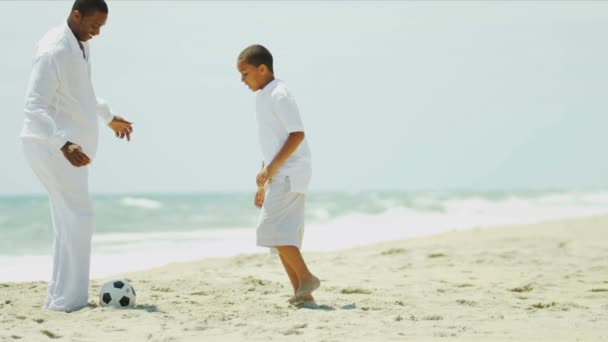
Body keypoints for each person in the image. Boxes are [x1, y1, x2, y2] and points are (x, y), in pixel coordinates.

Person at [20, 0, 133, 312]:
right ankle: (70, 302)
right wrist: (63, 143)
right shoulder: (54, 49)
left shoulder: (80, 44)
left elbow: (81, 93)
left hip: (63, 148)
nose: (96, 33)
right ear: (76, 15)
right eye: (93, 25)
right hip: (49, 146)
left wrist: (108, 117)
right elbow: (34, 105)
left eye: (101, 27)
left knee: (69, 221)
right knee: (80, 217)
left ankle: (59, 299)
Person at [237, 44, 320, 304]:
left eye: (246, 73)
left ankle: (306, 277)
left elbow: (297, 134)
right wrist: (264, 179)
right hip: (278, 174)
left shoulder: (279, 94)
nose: (243, 80)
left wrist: (272, 169)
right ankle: (302, 293)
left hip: (291, 172)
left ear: (262, 69)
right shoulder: (262, 96)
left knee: (271, 231)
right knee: (280, 236)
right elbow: (271, 141)